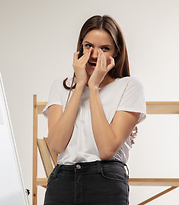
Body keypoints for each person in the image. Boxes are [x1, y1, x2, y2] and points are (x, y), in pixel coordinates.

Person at [42, 15, 146, 205]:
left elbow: (107, 149)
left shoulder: (129, 86)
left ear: (116, 52)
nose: (94, 54)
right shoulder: (60, 87)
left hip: (105, 182)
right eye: (88, 46)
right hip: (62, 181)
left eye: (104, 48)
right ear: (80, 47)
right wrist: (80, 84)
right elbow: (56, 145)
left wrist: (94, 87)